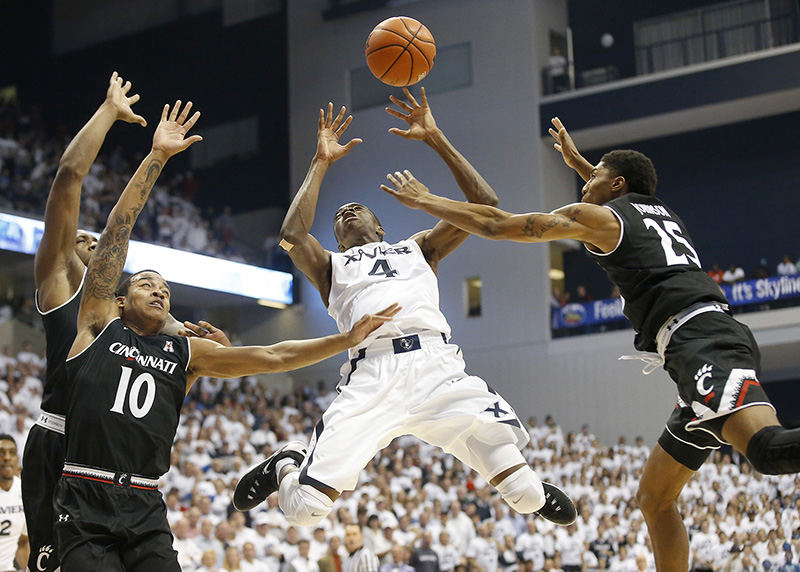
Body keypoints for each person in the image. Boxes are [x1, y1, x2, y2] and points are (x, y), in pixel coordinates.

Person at [380, 114, 800, 571]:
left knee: (768, 451)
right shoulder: (659, 211)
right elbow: (619, 196)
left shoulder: (601, 218)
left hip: (704, 343)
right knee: (654, 498)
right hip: (697, 343)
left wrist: (426, 201)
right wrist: (582, 164)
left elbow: (500, 225)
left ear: (616, 184)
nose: (584, 183)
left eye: (594, 175)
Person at [53, 99, 399, 571]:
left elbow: (274, 357)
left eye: (166, 288)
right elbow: (118, 229)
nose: (158, 289)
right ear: (118, 299)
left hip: (145, 504)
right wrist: (157, 157)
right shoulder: (97, 323)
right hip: (85, 495)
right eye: (146, 283)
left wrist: (346, 338)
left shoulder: (187, 351)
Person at [233, 89, 576, 529]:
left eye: (357, 209)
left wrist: (435, 138)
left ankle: (527, 489)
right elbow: (292, 235)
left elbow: (485, 205)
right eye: (339, 214)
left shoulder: (418, 248)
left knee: (526, 498)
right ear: (337, 240)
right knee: (303, 512)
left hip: (437, 368)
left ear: (381, 226)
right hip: (372, 373)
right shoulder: (330, 266)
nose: (347, 210)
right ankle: (287, 461)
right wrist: (320, 162)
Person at [24, 73, 227, 572]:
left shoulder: (124, 312)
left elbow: (176, 350)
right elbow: (69, 176)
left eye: (100, 241)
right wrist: (109, 112)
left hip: (120, 468)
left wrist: (202, 338)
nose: (92, 242)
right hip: (61, 445)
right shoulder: (59, 288)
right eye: (81, 238)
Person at [0, 435, 28, 572]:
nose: (7, 457)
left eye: (12, 453)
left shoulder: (23, 490)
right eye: (1, 453)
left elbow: (22, 542)